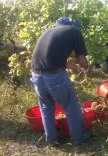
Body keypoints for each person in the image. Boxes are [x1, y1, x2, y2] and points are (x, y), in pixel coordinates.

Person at [30, 17, 91, 146]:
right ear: (71, 24)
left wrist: (74, 67)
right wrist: (85, 68)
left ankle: (52, 140)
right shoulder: (74, 31)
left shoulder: (48, 32)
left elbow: (51, 59)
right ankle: (79, 138)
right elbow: (82, 60)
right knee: (71, 106)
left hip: (36, 75)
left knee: (46, 108)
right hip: (54, 77)